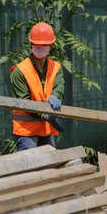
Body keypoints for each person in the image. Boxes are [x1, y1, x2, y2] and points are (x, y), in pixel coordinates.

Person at [10, 22, 65, 151]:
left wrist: (55, 96)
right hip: (26, 132)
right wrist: (44, 113)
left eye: (44, 45)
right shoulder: (20, 71)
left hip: (46, 129)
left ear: (50, 46)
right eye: (37, 44)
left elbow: (59, 86)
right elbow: (24, 101)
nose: (40, 47)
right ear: (31, 45)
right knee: (30, 168)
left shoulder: (56, 68)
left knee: (50, 168)